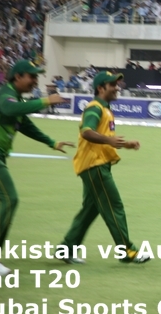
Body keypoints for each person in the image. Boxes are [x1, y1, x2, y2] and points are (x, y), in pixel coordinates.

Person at [0, 60, 74, 275]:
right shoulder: (4, 95)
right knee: (8, 200)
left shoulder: (15, 98)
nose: (35, 81)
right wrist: (44, 101)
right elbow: (11, 108)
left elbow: (26, 125)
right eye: (32, 76)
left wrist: (52, 142)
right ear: (17, 77)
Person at [58, 72, 149, 265]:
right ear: (101, 88)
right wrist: (110, 140)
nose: (117, 87)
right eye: (112, 85)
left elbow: (104, 139)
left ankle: (66, 248)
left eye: (118, 84)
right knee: (114, 207)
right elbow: (87, 132)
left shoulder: (104, 110)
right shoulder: (94, 107)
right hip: (95, 166)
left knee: (90, 210)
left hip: (95, 165)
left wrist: (125, 144)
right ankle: (127, 251)